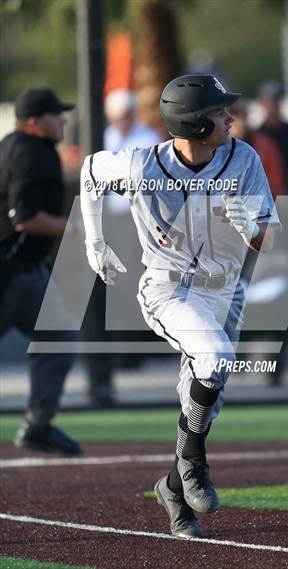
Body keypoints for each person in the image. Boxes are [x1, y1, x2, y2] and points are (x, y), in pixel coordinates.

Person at [80, 74, 279, 538]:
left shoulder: (243, 158)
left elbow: (269, 239)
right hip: (169, 290)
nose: (230, 117)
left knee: (206, 405)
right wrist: (94, 242)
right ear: (192, 124)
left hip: (224, 293)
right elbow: (90, 171)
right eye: (217, 112)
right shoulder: (141, 165)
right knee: (215, 359)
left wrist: (252, 227)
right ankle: (191, 464)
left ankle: (173, 486)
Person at [0, 87, 82, 454]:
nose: (62, 120)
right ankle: (37, 424)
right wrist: (74, 227)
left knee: (59, 336)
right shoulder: (33, 152)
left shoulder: (12, 144)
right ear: (35, 122)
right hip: (12, 271)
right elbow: (26, 219)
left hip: (27, 271)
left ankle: (38, 425)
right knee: (59, 338)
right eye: (55, 115)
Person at [85, 89, 164, 407]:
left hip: (137, 220)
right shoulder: (104, 136)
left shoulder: (146, 136)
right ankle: (117, 351)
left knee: (135, 283)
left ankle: (132, 350)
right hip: (112, 220)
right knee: (114, 286)